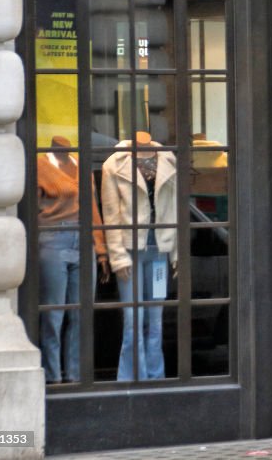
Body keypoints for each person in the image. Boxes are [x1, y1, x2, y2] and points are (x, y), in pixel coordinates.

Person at [102, 131, 178, 380]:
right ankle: (133, 377)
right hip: (130, 248)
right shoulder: (114, 163)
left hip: (159, 248)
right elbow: (111, 214)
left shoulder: (168, 159)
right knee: (133, 318)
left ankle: (155, 377)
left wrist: (176, 253)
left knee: (155, 319)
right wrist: (117, 256)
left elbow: (174, 209)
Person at [37, 136, 110, 383]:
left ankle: (75, 375)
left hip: (84, 240)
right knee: (53, 313)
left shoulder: (81, 165)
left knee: (81, 313)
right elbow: (31, 210)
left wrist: (101, 249)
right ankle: (52, 375)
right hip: (53, 239)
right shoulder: (40, 166)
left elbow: (93, 209)